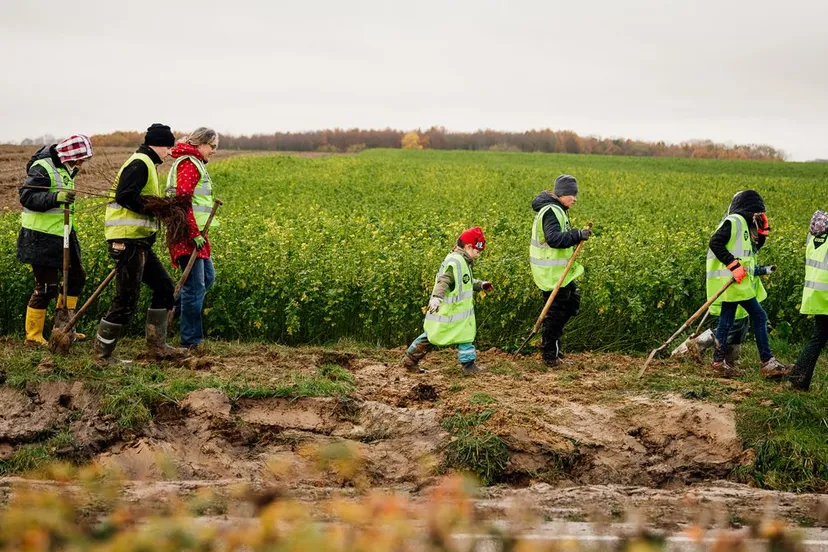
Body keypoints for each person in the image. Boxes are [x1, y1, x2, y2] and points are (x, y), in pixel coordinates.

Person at [94, 123, 184, 361]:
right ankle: (102, 356)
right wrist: (153, 207)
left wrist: (158, 207)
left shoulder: (148, 164)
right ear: (158, 145)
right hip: (127, 240)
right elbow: (125, 196)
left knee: (164, 288)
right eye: (168, 147)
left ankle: (157, 347)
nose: (169, 152)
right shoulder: (140, 163)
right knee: (125, 300)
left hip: (139, 241)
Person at [17, 135, 93, 346]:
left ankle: (64, 327)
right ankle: (33, 337)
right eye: (80, 158)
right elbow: (27, 197)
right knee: (47, 286)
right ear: (70, 154)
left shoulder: (66, 168)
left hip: (64, 233)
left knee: (76, 277)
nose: (81, 163)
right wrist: (55, 198)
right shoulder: (43, 168)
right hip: (40, 236)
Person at [705, 190, 787, 379]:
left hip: (738, 283)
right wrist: (733, 265)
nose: (759, 218)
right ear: (749, 210)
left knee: (726, 322)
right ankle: (767, 362)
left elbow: (752, 250)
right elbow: (715, 243)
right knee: (759, 316)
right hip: (734, 282)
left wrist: (763, 233)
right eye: (758, 214)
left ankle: (718, 362)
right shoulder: (734, 221)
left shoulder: (744, 225)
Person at [401, 227, 493, 375]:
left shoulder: (462, 261)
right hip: (448, 312)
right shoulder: (456, 262)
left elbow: (465, 281)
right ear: (468, 247)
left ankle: (468, 365)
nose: (478, 254)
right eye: (478, 251)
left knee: (465, 336)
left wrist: (481, 285)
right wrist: (436, 298)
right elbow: (444, 281)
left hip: (459, 314)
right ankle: (410, 360)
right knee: (432, 335)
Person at [166, 128, 220, 350]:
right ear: (200, 144)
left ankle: (167, 312)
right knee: (194, 287)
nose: (214, 151)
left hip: (196, 233)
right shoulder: (189, 163)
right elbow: (182, 201)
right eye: (212, 146)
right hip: (187, 233)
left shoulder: (195, 162)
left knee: (207, 277)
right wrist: (193, 233)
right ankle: (190, 340)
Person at [529, 175, 590, 367]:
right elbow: (554, 239)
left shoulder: (557, 209)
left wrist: (576, 235)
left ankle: (551, 345)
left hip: (559, 272)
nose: (575, 199)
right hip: (551, 274)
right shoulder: (551, 211)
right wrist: (576, 235)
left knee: (571, 304)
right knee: (556, 312)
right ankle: (550, 355)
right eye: (572, 194)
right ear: (562, 194)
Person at [788, 210, 828, 391]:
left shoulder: (813, 239)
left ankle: (798, 379)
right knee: (819, 337)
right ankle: (797, 379)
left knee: (818, 338)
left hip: (817, 296)